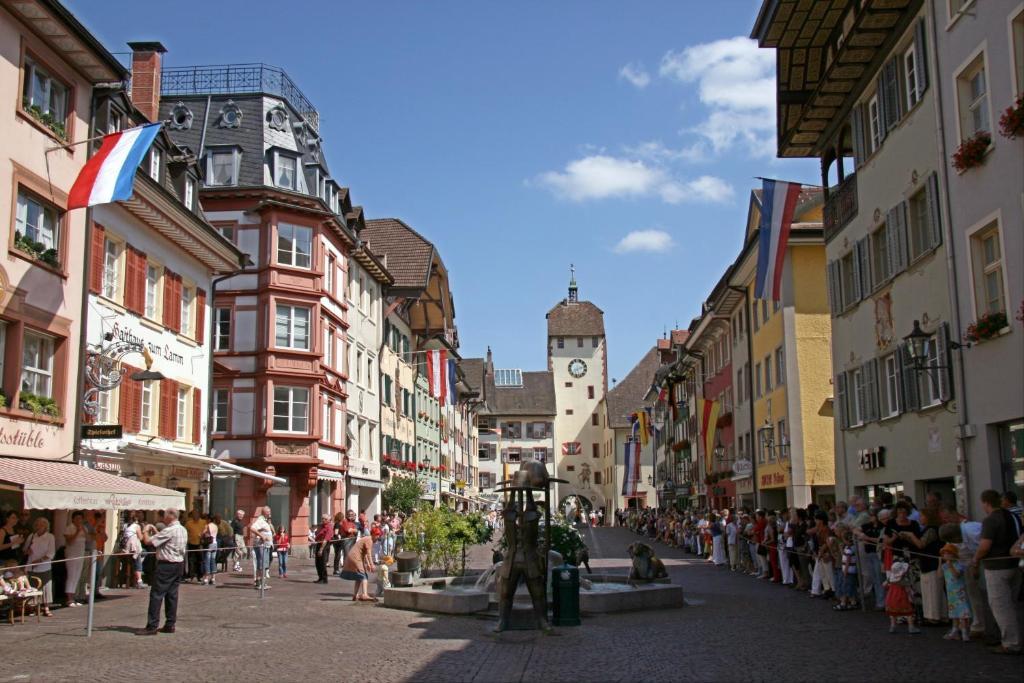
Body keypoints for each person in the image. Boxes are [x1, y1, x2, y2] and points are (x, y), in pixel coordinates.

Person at [971, 490, 1021, 654]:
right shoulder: (1012, 516)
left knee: (1001, 606)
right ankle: (1013, 637)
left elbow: (985, 546)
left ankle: (1011, 642)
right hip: (1015, 564)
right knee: (1012, 604)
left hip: (997, 567)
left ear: (986, 502)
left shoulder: (991, 520)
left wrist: (976, 559)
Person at [137, 508, 187, 635]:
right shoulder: (182, 529)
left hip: (166, 565)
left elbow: (148, 541)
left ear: (171, 516)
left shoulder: (170, 530)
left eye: (165, 515)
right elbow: (165, 540)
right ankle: (170, 624)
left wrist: (145, 530)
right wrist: (156, 531)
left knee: (157, 594)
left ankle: (152, 626)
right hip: (178, 564)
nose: (163, 517)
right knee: (172, 595)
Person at [940, 543, 971, 642]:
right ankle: (955, 630)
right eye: (944, 554)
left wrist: (950, 566)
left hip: (960, 592)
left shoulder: (959, 565)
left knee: (963, 612)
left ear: (954, 554)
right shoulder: (945, 566)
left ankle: (964, 631)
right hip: (951, 593)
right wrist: (939, 564)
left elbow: (956, 575)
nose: (946, 556)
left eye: (948, 553)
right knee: (954, 613)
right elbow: (939, 576)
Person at [25, 517, 54, 617]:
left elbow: (51, 553)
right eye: (37, 524)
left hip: (44, 565)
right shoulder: (32, 536)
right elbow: (24, 549)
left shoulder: (50, 537)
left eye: (41, 525)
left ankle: (46, 607)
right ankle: (33, 607)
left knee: (46, 586)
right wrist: (27, 551)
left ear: (46, 526)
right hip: (32, 565)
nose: (39, 527)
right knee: (33, 585)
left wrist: (39, 560)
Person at [341, 534, 376, 602]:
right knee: (363, 576)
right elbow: (368, 554)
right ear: (375, 535)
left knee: (358, 576)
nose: (378, 538)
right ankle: (364, 594)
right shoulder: (369, 540)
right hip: (355, 558)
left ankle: (355, 595)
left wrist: (368, 564)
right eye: (378, 535)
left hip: (351, 556)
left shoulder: (366, 538)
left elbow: (365, 553)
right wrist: (372, 565)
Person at [63, 511, 87, 606]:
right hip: (71, 556)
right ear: (73, 519)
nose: (79, 520)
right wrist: (77, 531)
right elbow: (70, 541)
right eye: (77, 518)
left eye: (80, 519)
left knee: (77, 576)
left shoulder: (83, 528)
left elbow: (89, 538)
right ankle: (69, 598)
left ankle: (74, 597)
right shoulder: (70, 528)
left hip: (80, 555)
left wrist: (83, 530)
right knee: (71, 576)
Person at [249, 507, 274, 589]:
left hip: (266, 546)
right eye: (269, 511)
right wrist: (262, 536)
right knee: (261, 564)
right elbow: (252, 528)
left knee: (262, 564)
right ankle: (260, 583)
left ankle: (260, 583)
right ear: (264, 512)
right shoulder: (260, 520)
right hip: (261, 546)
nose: (270, 512)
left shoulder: (265, 521)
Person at [184, 510, 205, 582]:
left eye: (196, 514)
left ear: (199, 515)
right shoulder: (188, 523)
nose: (195, 516)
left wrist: (203, 536)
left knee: (200, 560)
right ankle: (191, 575)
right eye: (194, 515)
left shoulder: (203, 522)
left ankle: (200, 576)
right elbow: (185, 532)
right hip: (191, 543)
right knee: (191, 560)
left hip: (200, 544)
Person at [313, 515, 332, 583]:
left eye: (325, 519)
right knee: (317, 562)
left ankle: (324, 579)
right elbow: (317, 534)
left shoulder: (329, 527)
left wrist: (321, 549)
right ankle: (320, 577)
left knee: (322, 562)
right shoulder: (321, 526)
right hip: (319, 543)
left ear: (329, 520)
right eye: (322, 518)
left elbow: (326, 539)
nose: (323, 520)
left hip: (324, 545)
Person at [200, 514, 218, 586]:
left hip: (209, 544)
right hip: (215, 544)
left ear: (209, 519)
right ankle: (213, 578)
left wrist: (200, 535)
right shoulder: (215, 526)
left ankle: (206, 579)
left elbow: (203, 534)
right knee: (213, 560)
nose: (206, 520)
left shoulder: (207, 526)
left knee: (207, 560)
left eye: (206, 519)